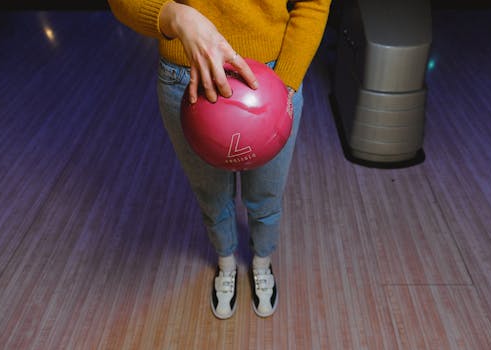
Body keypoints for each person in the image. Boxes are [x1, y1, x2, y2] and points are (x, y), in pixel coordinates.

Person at [107, 0, 331, 319]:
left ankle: (261, 262)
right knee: (211, 195)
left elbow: (313, 4)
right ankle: (226, 263)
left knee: (266, 195)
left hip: (273, 75)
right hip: (186, 74)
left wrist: (285, 82)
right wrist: (175, 16)